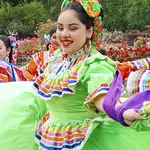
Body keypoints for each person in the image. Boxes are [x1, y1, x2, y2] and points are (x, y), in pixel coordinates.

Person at [32, 1, 150, 150]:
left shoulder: (94, 64)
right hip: (51, 138)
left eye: (73, 28)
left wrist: (122, 111)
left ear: (89, 31)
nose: (64, 34)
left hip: (83, 141)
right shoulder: (56, 60)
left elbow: (102, 98)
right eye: (60, 28)